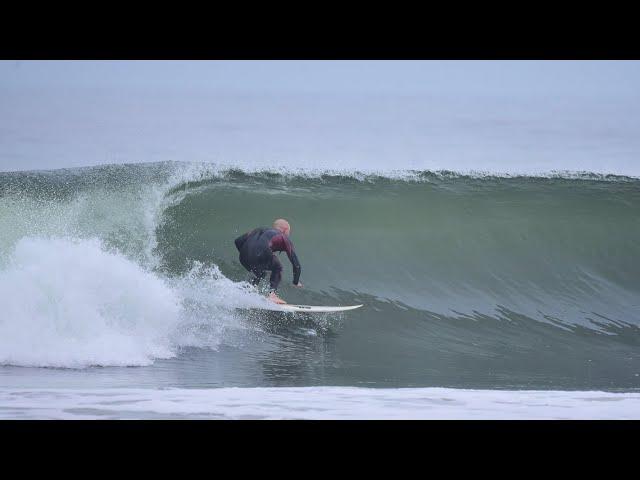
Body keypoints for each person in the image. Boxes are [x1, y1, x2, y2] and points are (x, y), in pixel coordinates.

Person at [234, 218, 302, 304]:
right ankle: (272, 295)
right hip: (261, 253)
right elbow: (296, 265)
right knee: (278, 267)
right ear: (285, 230)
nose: (289, 234)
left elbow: (237, 241)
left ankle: (247, 293)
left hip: (243, 257)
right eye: (289, 231)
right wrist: (295, 282)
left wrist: (250, 255)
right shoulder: (283, 237)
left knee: (260, 272)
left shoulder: (258, 230)